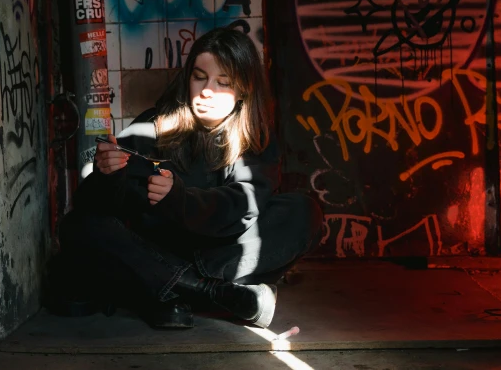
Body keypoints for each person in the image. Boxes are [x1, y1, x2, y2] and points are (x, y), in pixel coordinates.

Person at [47, 27, 324, 329]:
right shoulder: (151, 127)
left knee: (302, 212)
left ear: (244, 89)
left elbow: (243, 207)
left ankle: (172, 291)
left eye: (224, 82)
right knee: (78, 225)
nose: (207, 91)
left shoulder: (253, 139)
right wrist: (106, 174)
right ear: (188, 77)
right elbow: (97, 206)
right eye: (199, 77)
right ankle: (213, 293)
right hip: (158, 254)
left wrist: (179, 199)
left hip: (215, 259)